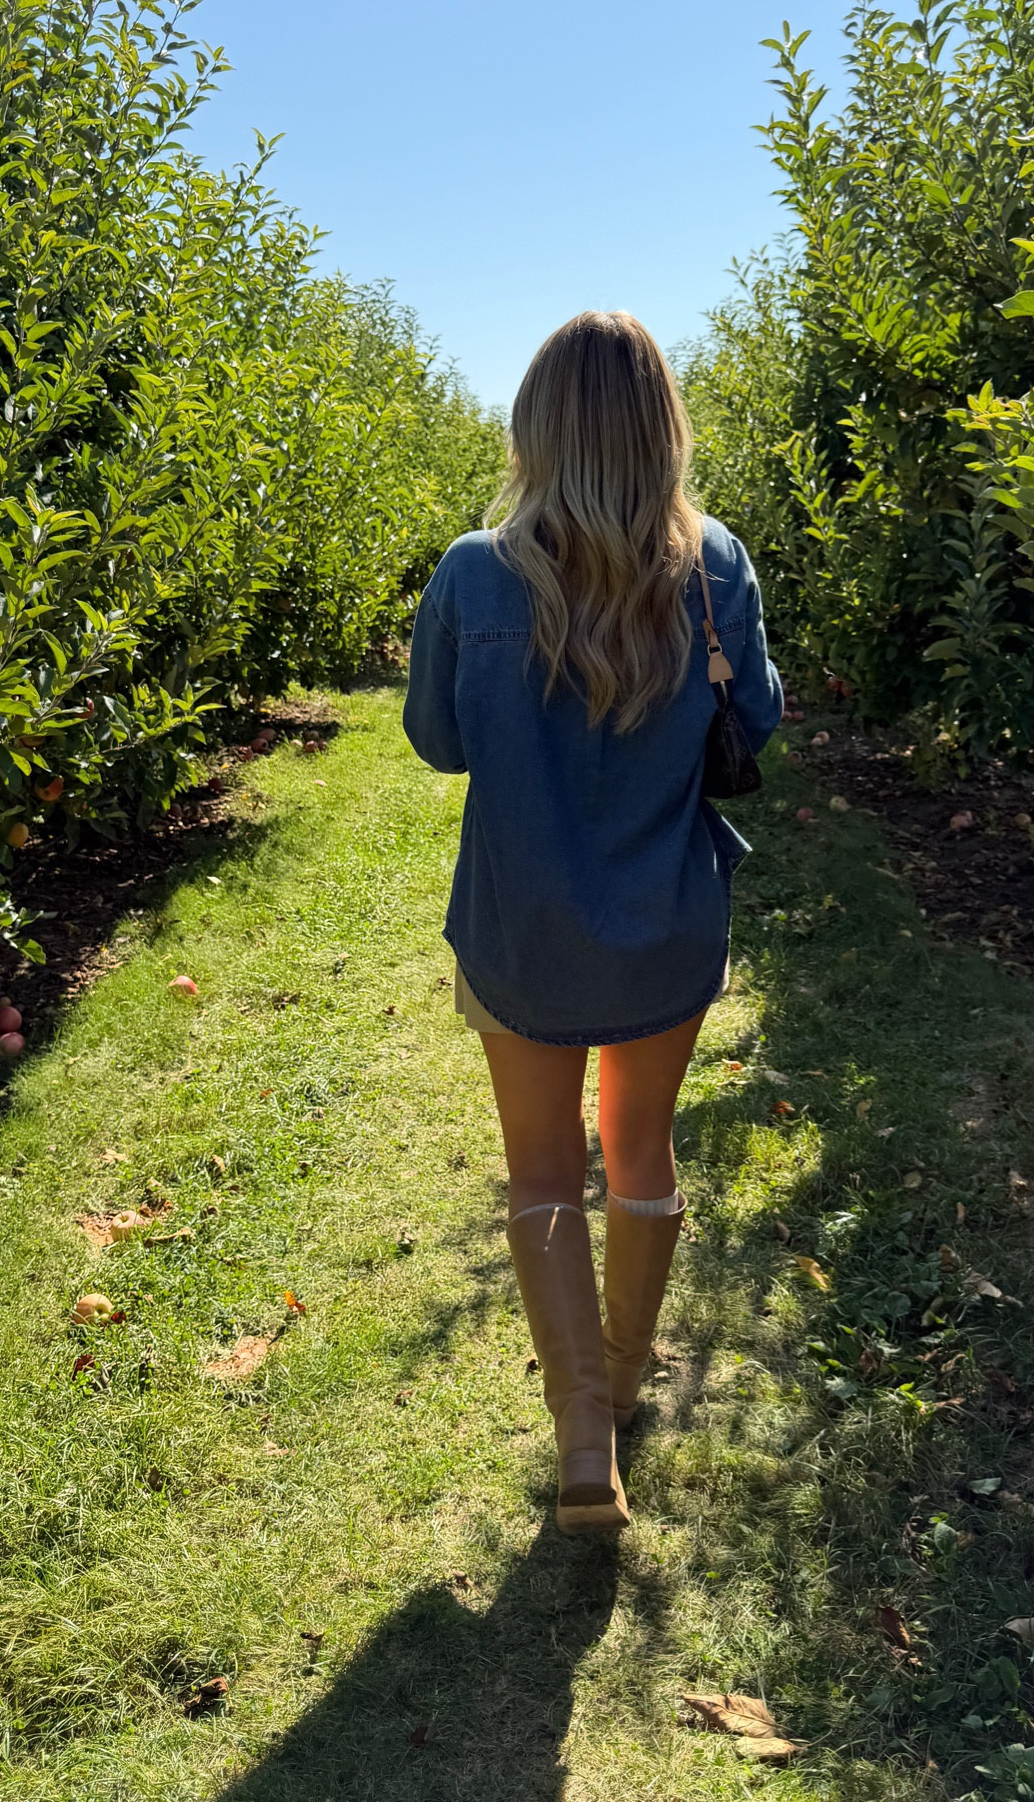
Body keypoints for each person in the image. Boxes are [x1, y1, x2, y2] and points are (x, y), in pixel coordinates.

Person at [402, 310, 782, 1534]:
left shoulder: (474, 572)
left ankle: (580, 1442)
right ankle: (619, 1381)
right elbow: (757, 724)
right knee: (643, 1152)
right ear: (662, 428)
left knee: (542, 1167)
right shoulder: (713, 563)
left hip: (523, 932)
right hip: (666, 922)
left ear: (535, 427)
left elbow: (436, 740)